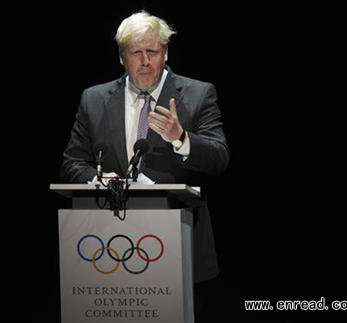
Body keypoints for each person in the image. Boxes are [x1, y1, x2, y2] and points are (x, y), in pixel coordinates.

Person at [60, 10, 230, 321]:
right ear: (121, 57)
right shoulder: (94, 99)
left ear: (165, 52)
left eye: (152, 51)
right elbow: (72, 162)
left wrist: (181, 138)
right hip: (109, 244)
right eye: (135, 52)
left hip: (180, 247)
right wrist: (96, 178)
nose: (145, 61)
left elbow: (219, 158)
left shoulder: (197, 94)